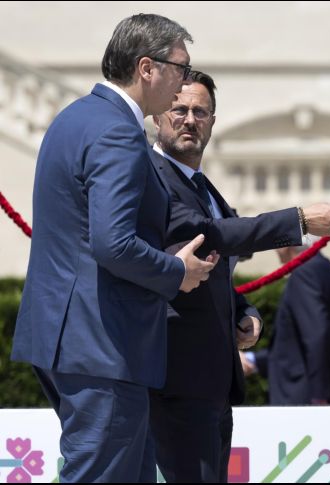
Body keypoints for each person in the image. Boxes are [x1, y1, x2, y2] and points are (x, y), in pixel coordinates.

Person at [10, 14, 218, 483]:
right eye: (181, 68)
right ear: (147, 68)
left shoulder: (76, 117)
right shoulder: (117, 131)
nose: (185, 80)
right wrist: (175, 271)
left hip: (75, 337)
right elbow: (113, 241)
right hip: (102, 343)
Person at [149, 71, 330, 482]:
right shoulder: (152, 174)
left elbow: (211, 269)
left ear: (213, 120)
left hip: (213, 382)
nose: (190, 119)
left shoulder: (204, 186)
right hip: (175, 376)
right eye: (179, 109)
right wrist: (297, 219)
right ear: (158, 116)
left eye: (201, 111)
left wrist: (244, 313)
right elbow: (207, 235)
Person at [251, 245, 330, 405]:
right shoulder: (323, 266)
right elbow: (293, 348)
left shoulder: (304, 273)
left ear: (288, 243)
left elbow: (317, 336)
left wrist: (319, 395)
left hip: (306, 397)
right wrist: (253, 360)